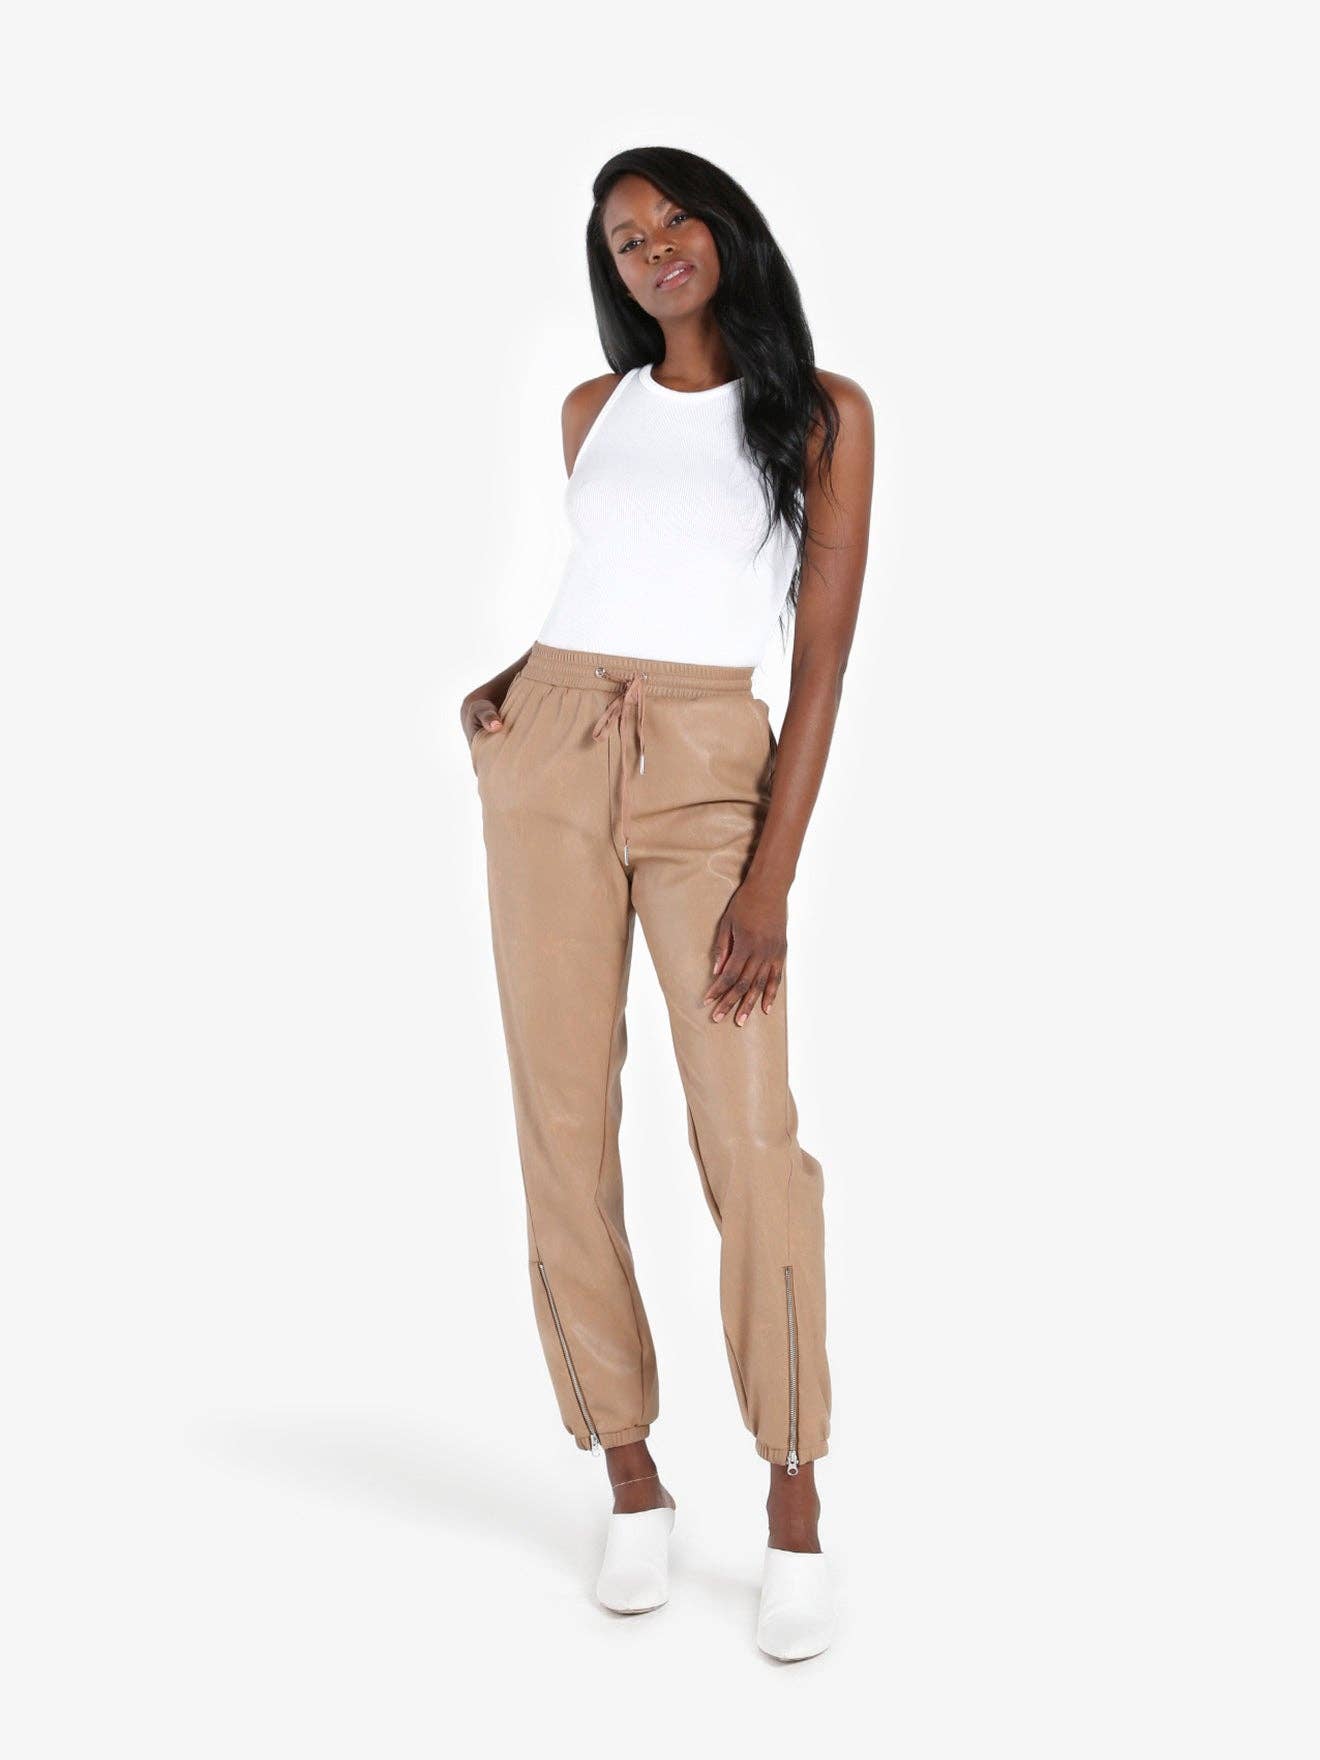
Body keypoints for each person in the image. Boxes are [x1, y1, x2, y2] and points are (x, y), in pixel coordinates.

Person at [461, 146, 873, 1660]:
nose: (654, 249)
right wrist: (514, 688)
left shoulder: (823, 413)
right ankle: (630, 1477)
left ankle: (793, 1501)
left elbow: (817, 665)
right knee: (562, 1125)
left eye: (674, 218)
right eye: (626, 238)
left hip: (711, 770)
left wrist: (771, 874)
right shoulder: (596, 408)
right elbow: (615, 582)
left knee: (751, 1138)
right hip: (551, 756)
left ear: (726, 228)